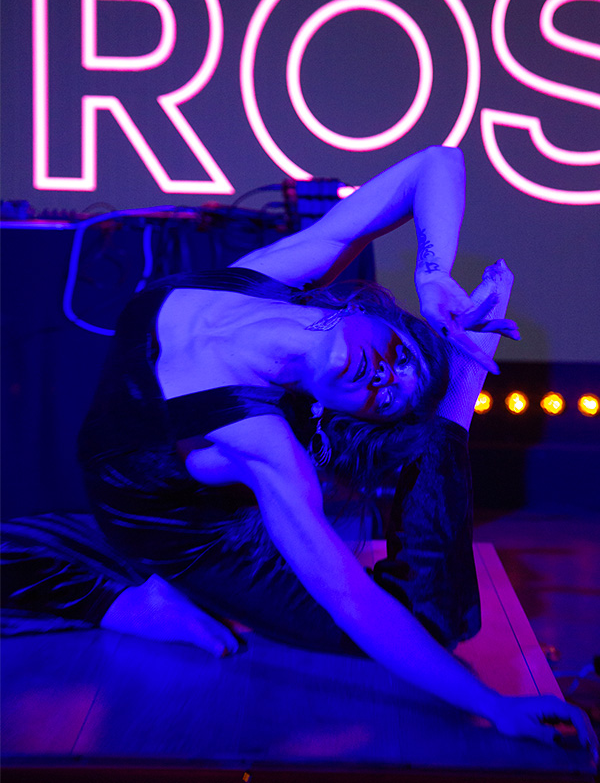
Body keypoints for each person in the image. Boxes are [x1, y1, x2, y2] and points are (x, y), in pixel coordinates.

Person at [3, 146, 598, 758]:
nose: (384, 376)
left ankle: (454, 401)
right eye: (399, 354)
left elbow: (351, 600)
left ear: (342, 412)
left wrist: (492, 706)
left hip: (191, 537)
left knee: (429, 623)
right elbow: (437, 162)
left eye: (387, 398)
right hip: (127, 490)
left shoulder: (263, 445)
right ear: (367, 312)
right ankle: (134, 601)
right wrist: (431, 276)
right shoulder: (267, 277)